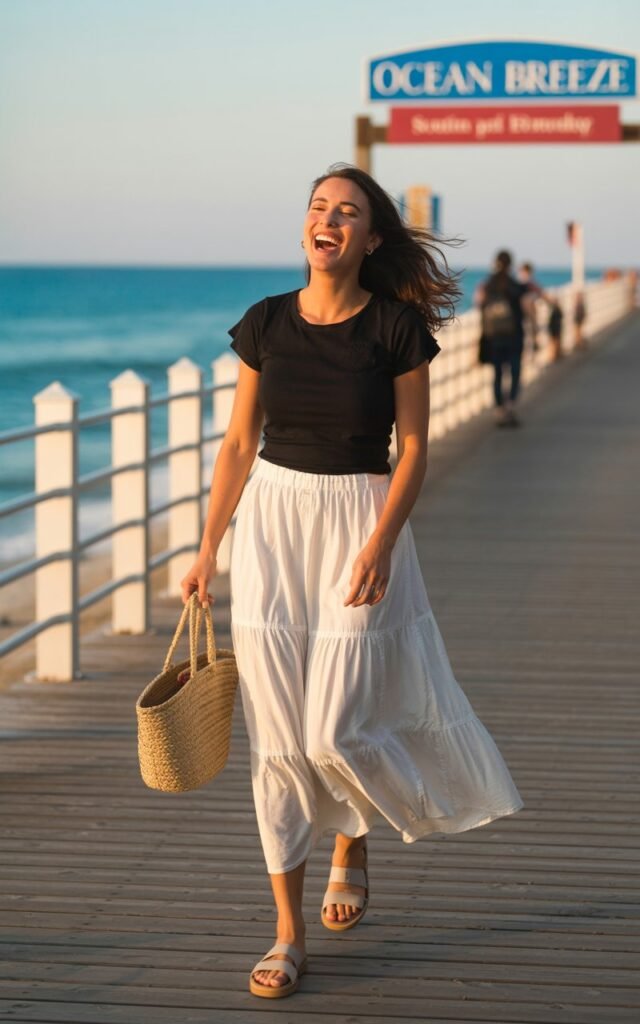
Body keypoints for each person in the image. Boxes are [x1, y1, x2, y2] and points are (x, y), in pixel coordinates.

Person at [180, 164, 524, 999]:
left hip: (359, 525)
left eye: (348, 211)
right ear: (307, 228)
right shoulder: (264, 324)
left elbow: (415, 450)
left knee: (333, 726)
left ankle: (356, 832)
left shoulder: (398, 329)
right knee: (277, 739)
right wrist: (205, 548)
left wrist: (381, 542)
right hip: (273, 524)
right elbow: (234, 447)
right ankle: (288, 935)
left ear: (371, 240)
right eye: (317, 207)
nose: (327, 220)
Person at [476, 250, 545, 428]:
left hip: (493, 337)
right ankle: (510, 408)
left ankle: (499, 410)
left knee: (497, 374)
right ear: (511, 264)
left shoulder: (488, 284)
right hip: (515, 337)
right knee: (514, 372)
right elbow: (530, 302)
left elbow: (480, 304)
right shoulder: (516, 285)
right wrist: (535, 332)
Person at [547, 294, 564, 361]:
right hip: (555, 328)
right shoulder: (554, 309)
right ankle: (554, 355)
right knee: (554, 342)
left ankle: (555, 355)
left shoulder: (554, 309)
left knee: (556, 342)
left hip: (556, 328)